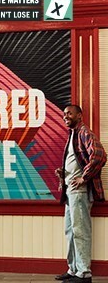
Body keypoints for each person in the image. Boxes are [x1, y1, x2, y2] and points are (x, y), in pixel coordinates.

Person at [54, 105, 106, 283]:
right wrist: (64, 173)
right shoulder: (73, 135)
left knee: (80, 231)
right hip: (70, 191)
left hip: (79, 191)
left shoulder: (84, 132)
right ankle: (74, 269)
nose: (65, 116)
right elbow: (79, 160)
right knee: (70, 231)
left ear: (79, 115)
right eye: (63, 114)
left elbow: (99, 156)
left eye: (69, 113)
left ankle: (84, 273)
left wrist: (84, 178)